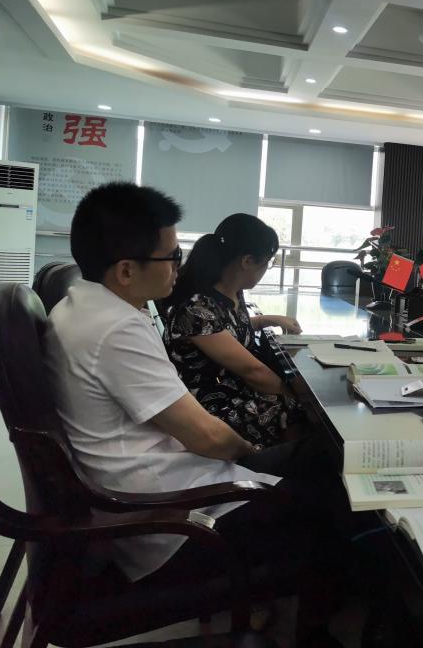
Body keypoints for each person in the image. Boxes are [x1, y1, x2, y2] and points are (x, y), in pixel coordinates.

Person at [43, 183, 355, 646]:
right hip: (172, 520)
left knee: (322, 456)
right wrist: (251, 454)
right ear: (126, 270)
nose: (180, 265)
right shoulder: (115, 327)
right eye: (172, 256)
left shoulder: (87, 304)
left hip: (168, 484)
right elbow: (207, 438)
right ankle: (319, 631)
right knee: (337, 498)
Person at [160, 213, 304, 448]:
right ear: (247, 261)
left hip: (232, 389)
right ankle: (277, 465)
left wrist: (269, 319)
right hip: (205, 408)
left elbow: (231, 328)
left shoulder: (232, 291)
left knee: (288, 403)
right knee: (290, 407)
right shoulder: (196, 309)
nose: (266, 268)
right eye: (267, 262)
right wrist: (299, 396)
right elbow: (253, 371)